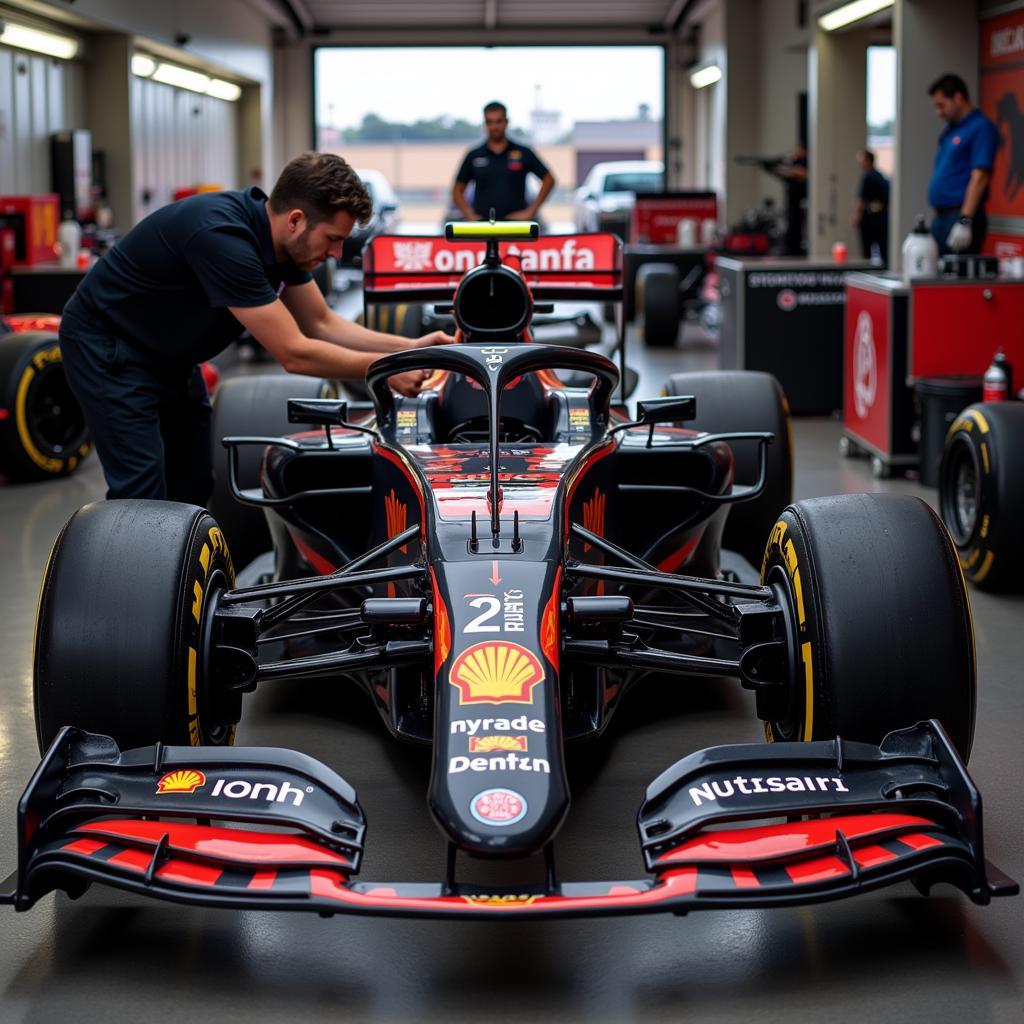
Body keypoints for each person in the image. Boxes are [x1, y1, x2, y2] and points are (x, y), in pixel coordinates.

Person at [58, 151, 453, 505]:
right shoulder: (224, 239)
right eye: (333, 239)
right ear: (296, 220)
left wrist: (413, 349)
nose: (336, 254)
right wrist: (385, 370)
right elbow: (294, 352)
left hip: (169, 356)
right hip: (109, 348)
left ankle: (177, 577)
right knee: (141, 492)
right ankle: (138, 583)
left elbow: (322, 323)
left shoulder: (285, 246)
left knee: (193, 482)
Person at [927, 73, 1000, 255]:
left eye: (942, 105)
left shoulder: (980, 127)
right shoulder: (950, 131)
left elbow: (980, 176)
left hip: (961, 216)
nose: (939, 112)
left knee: (954, 279)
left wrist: (965, 220)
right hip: (942, 216)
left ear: (958, 97)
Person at [451, 101, 555, 221]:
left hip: (516, 227)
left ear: (506, 122)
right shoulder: (474, 155)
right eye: (490, 122)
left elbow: (549, 179)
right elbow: (457, 190)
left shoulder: (523, 153)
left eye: (498, 121)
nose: (494, 127)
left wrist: (531, 211)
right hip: (483, 226)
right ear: (485, 124)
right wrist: (469, 214)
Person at [853, 149, 889, 264]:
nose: (859, 163)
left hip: (870, 218)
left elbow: (862, 200)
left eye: (861, 160)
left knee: (867, 252)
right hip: (882, 217)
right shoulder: (880, 176)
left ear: (868, 160)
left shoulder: (868, 177)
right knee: (883, 250)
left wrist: (856, 216)